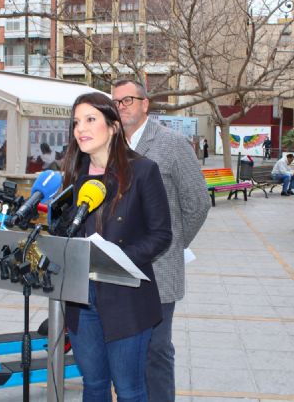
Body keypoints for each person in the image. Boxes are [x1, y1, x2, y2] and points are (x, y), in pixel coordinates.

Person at [62, 92, 173, 402]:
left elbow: (161, 234)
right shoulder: (74, 173)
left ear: (112, 126)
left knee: (128, 389)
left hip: (126, 297)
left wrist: (115, 259)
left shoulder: (143, 171)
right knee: (93, 385)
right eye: (76, 123)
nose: (80, 129)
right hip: (81, 298)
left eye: (89, 119)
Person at [112, 80, 211, 402]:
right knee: (124, 347)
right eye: (115, 102)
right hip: (117, 264)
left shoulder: (172, 144)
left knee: (156, 348)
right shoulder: (109, 146)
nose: (121, 106)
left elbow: (197, 203)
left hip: (159, 267)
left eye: (127, 100)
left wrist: (172, 244)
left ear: (145, 104)